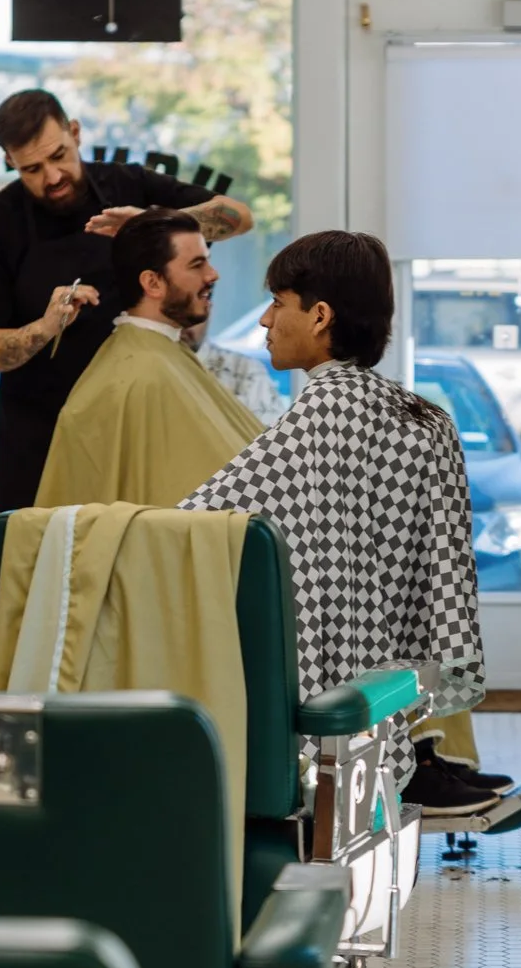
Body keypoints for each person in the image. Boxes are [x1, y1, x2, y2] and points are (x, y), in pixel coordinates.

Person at [180, 230, 496, 807]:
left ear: (319, 316)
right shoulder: (426, 417)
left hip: (327, 687)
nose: (265, 321)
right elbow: (445, 573)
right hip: (393, 685)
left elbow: (202, 522)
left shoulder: (323, 416)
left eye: (278, 303)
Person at [0, 89, 252, 512]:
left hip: (140, 425)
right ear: (9, 162)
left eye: (59, 155)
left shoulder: (127, 184)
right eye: (32, 169)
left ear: (75, 133)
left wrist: (154, 224)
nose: (52, 176)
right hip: (43, 435)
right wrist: (44, 327)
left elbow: (239, 217)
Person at [35, 211, 263, 508]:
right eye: (197, 264)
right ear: (153, 283)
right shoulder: (137, 377)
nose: (212, 274)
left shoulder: (165, 355)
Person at [183, 313, 290, 427]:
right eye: (174, 308)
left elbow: (275, 436)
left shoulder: (246, 371)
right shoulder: (162, 370)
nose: (182, 322)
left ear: (208, 308)